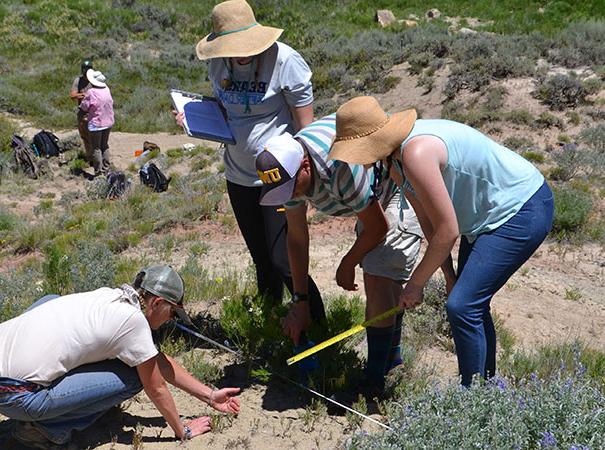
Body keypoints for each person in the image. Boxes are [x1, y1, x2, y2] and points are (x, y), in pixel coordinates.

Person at [329, 96, 554, 387]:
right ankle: (484, 390)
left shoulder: (416, 153)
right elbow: (430, 224)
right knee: (468, 302)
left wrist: (416, 284)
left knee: (463, 306)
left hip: (521, 210)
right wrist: (448, 276)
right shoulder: (396, 163)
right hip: (487, 219)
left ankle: (470, 401)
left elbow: (448, 231)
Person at [177, 0, 325, 323]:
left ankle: (314, 322)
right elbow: (224, 109)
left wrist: (304, 183)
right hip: (238, 173)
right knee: (261, 257)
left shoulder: (285, 61)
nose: (238, 52)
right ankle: (270, 322)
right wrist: (193, 118)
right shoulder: (218, 65)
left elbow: (307, 128)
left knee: (282, 258)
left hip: (279, 176)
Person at [255, 114, 423, 394]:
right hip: (370, 194)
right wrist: (300, 301)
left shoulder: (339, 167)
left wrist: (347, 263)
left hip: (400, 182)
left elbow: (378, 226)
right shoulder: (290, 173)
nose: (289, 195)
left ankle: (374, 381)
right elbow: (296, 237)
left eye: (291, 187)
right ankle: (391, 359)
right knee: (380, 274)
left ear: (305, 165)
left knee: (378, 273)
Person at [0, 265, 240, 449]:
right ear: (157, 303)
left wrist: (209, 396)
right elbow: (156, 386)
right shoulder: (132, 322)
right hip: (15, 397)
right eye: (172, 313)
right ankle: (44, 430)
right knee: (137, 376)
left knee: (50, 300)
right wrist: (183, 431)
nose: (171, 320)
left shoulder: (109, 296)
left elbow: (156, 358)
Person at [80, 69, 114, 176]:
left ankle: (98, 171)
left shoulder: (91, 92)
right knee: (104, 145)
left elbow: (84, 107)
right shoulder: (107, 89)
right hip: (108, 122)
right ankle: (106, 168)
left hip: (96, 123)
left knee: (96, 147)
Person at [69, 60, 94, 165]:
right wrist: (83, 95)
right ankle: (90, 157)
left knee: (94, 136)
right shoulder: (78, 81)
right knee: (84, 136)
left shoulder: (95, 80)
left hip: (93, 112)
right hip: (82, 112)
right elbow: (72, 95)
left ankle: (96, 157)